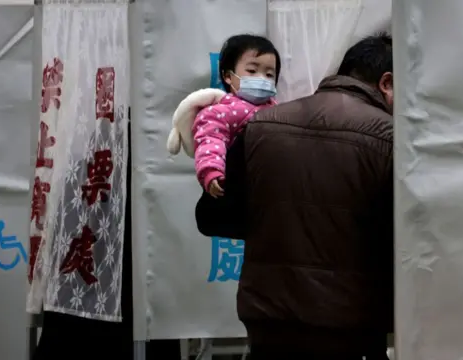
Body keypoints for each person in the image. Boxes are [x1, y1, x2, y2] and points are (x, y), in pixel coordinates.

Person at [197, 33, 394, 359]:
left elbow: (212, 216)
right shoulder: (389, 138)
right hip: (353, 334)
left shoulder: (260, 125)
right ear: (386, 82)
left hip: (269, 329)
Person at [166, 34, 281, 199]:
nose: (262, 78)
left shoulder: (280, 111)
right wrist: (211, 171)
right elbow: (210, 141)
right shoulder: (219, 112)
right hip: (237, 192)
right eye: (252, 71)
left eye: (269, 74)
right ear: (228, 76)